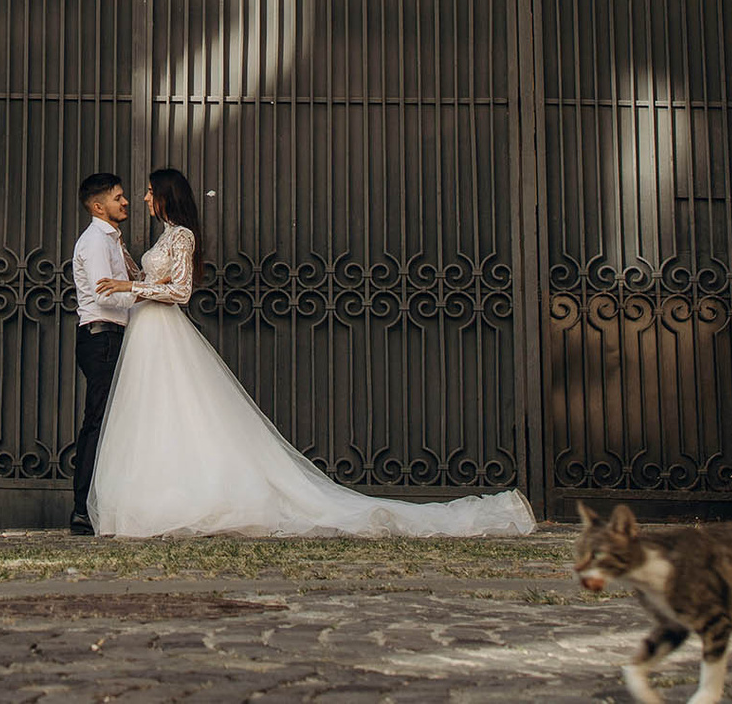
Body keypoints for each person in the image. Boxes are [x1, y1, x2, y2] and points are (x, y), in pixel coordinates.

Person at [86, 167, 537, 538]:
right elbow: (150, 280)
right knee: (157, 416)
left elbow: (180, 291)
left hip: (165, 331)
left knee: (183, 412)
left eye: (147, 192)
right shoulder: (161, 239)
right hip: (147, 333)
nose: (142, 199)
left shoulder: (182, 235)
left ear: (166, 196)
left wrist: (131, 284)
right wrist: (126, 262)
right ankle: (158, 494)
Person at [67, 171, 133, 535]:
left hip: (112, 336)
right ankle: (82, 510)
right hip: (101, 338)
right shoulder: (95, 242)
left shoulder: (111, 239)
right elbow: (106, 294)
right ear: (98, 206)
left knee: (111, 423)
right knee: (97, 422)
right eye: (118, 197)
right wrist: (144, 291)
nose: (124, 202)